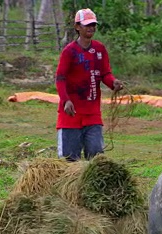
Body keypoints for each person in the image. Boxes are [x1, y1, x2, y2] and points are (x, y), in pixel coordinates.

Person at [55, 8, 123, 161]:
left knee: (96, 157)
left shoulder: (99, 49)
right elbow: (60, 78)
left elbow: (105, 73)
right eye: (87, 25)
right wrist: (66, 100)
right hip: (71, 113)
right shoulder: (69, 51)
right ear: (77, 27)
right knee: (69, 160)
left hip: (92, 113)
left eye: (93, 25)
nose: (91, 28)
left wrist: (113, 83)